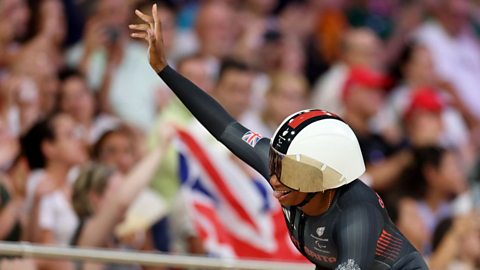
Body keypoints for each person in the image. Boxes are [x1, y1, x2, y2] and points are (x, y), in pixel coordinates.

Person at [129, 4, 428, 269]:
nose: (274, 179)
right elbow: (223, 127)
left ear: (326, 180)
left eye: (289, 170)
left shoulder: (357, 216)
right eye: (277, 163)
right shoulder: (286, 173)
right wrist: (163, 68)